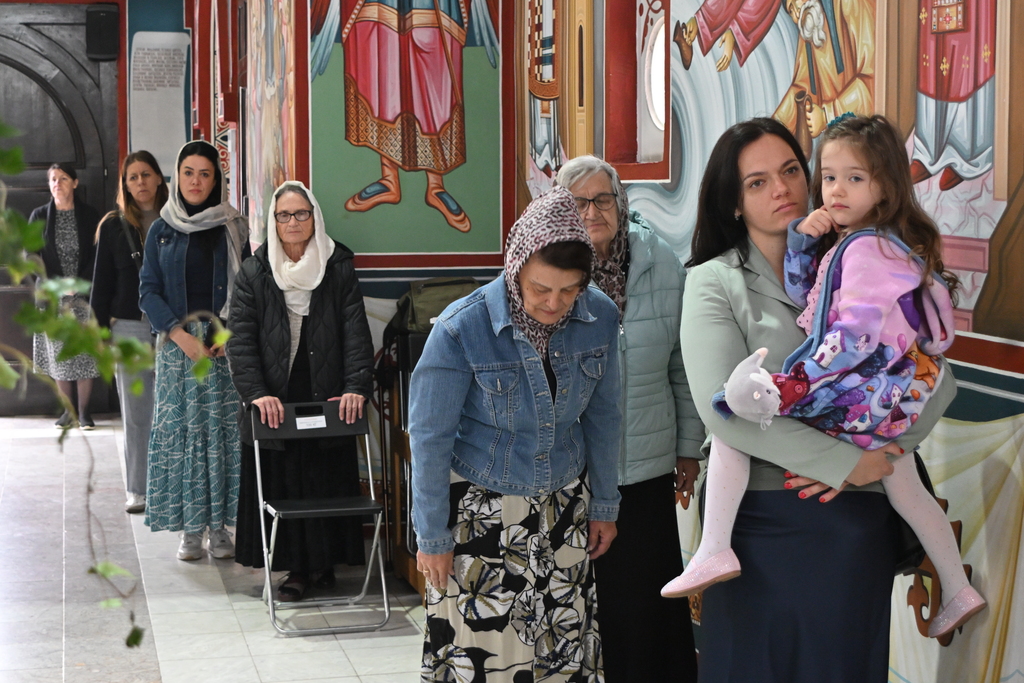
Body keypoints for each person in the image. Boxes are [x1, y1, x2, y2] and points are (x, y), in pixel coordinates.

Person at [661, 114, 985, 639]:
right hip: (765, 515)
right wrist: (843, 462)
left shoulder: (865, 252)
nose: (782, 189)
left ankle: (955, 585)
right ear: (733, 201)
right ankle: (714, 551)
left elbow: (933, 375)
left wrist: (879, 455)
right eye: (757, 182)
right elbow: (722, 415)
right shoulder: (716, 280)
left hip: (857, 516)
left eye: (791, 170)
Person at [410, 187, 622, 681]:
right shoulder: (462, 328)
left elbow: (606, 416)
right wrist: (432, 535)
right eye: (540, 288)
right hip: (482, 514)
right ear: (515, 268)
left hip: (565, 507)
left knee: (562, 651)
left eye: (569, 290)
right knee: (486, 656)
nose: (554, 303)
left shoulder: (600, 317)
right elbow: (429, 438)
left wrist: (605, 505)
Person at [554, 156, 700, 682]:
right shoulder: (547, 267)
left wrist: (688, 448)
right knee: (584, 598)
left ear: (620, 203)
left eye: (603, 199)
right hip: (571, 469)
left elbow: (682, 366)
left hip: (645, 464)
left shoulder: (662, 263)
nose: (592, 211)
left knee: (644, 600)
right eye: (578, 202)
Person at [227, 181, 375, 601]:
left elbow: (356, 332)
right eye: (284, 215)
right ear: (273, 222)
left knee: (324, 476)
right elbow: (240, 340)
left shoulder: (337, 263)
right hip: (276, 393)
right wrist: (256, 393)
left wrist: (356, 387)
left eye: (301, 214)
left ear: (314, 217)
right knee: (287, 479)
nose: (293, 222)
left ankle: (324, 563)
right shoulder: (255, 271)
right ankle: (296, 569)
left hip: (327, 388)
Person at [139, 140, 250, 561]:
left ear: (216, 179)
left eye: (205, 174)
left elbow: (249, 289)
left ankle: (219, 528)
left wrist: (227, 335)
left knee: (221, 435)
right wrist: (179, 336)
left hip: (222, 349)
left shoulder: (233, 226)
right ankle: (190, 529)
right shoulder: (161, 229)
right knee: (184, 435)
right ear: (177, 176)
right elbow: (148, 292)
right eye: (188, 172)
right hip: (177, 348)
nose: (196, 181)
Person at [91, 151, 169, 513]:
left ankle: (169, 485)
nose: (140, 182)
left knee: (171, 411)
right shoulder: (113, 226)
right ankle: (138, 488)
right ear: (125, 184)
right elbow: (102, 283)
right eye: (133, 177)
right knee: (137, 414)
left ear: (159, 178)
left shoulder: (175, 220)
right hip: (130, 328)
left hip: (172, 328)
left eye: (146, 175)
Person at [29, 163, 101, 429]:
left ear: (75, 183)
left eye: (63, 178)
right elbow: (31, 255)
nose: (57, 183)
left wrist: (79, 284)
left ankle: (84, 413)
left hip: (83, 296)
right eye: (53, 179)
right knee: (59, 355)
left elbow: (98, 254)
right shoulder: (39, 216)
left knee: (85, 355)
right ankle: (68, 412)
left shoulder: (90, 215)